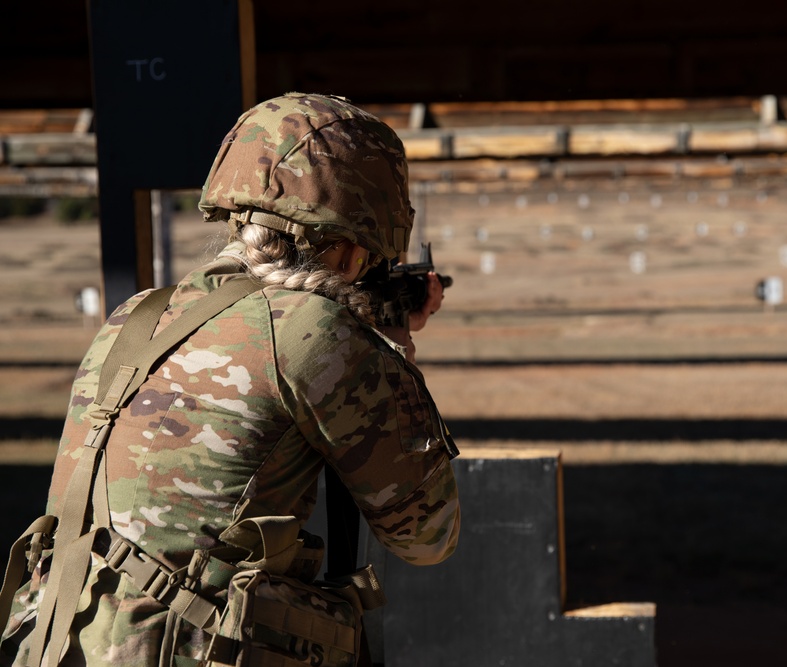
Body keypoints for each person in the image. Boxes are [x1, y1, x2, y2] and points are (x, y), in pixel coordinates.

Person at [0, 93, 460, 666]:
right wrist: (393, 353)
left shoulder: (137, 315)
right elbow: (429, 534)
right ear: (349, 241)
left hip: (54, 645)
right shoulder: (310, 331)